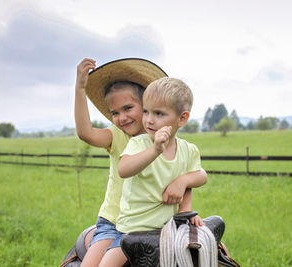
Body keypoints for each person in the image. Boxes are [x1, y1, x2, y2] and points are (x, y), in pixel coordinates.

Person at [74, 58, 207, 267]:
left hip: (154, 223)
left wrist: (183, 181)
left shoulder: (178, 147)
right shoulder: (117, 136)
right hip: (115, 220)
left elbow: (192, 174)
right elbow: (85, 133)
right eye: (114, 113)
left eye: (128, 108)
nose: (121, 118)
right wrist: (81, 89)